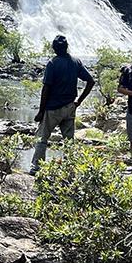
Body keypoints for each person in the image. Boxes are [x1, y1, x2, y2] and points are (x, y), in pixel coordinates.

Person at [29, 35, 95, 175]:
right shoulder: (75, 62)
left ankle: (36, 168)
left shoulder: (52, 63)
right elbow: (91, 81)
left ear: (53, 48)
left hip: (52, 108)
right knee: (69, 140)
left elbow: (46, 88)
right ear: (67, 47)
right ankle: (70, 169)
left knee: (42, 138)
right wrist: (79, 101)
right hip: (70, 107)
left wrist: (41, 111)